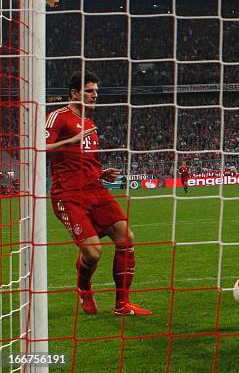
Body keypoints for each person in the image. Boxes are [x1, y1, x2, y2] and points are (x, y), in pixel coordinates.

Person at [46, 71, 152, 316]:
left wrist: (100, 173)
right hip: (68, 194)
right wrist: (70, 140)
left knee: (126, 237)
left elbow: (81, 160)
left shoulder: (91, 123)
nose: (95, 95)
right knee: (93, 252)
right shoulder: (57, 118)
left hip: (95, 189)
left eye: (96, 91)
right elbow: (40, 148)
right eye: (89, 91)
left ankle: (122, 305)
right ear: (74, 93)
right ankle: (84, 288)